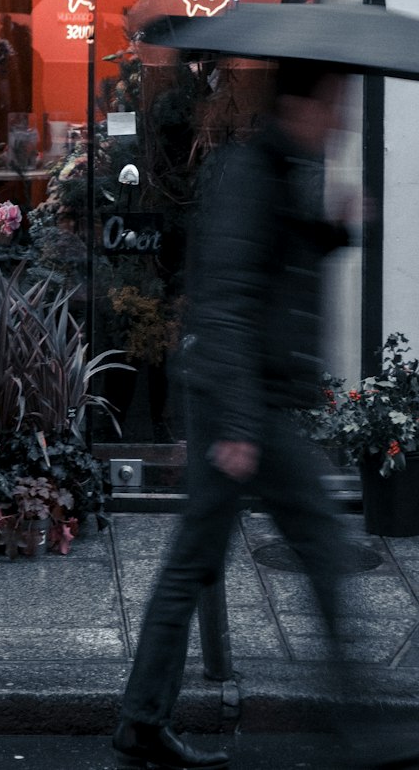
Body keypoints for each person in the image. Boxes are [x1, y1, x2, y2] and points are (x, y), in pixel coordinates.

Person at [113, 58, 366, 770]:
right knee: (317, 545)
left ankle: (141, 719)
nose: (342, 119)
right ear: (303, 104)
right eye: (336, 102)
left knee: (195, 562)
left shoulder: (284, 171)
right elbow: (224, 301)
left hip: (256, 399)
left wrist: (335, 233)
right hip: (246, 403)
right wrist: (238, 427)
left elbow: (277, 266)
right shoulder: (252, 172)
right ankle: (359, 730)